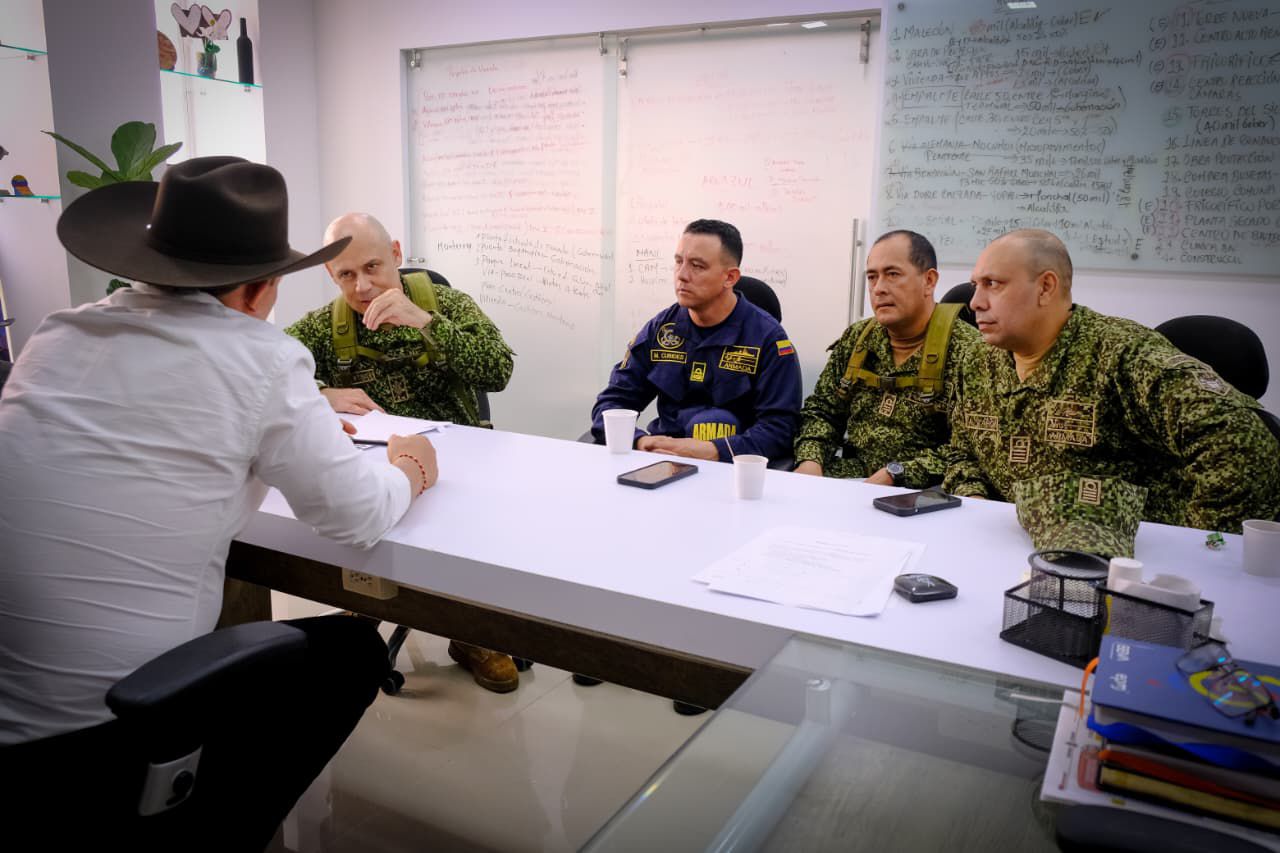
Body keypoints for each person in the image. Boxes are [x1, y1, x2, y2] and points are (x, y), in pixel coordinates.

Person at [0, 156, 438, 849]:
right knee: (354, 651)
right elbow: (357, 516)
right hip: (100, 748)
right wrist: (410, 467)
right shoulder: (262, 356)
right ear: (261, 290)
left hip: (11, 725)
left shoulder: (58, 333)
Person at [286, 213, 520, 693]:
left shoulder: (444, 302)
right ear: (330, 274)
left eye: (373, 267)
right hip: (377, 470)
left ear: (395, 253)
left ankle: (469, 632)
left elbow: (498, 370)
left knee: (464, 542)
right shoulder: (325, 327)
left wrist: (426, 323)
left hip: (458, 466)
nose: (362, 286)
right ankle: (367, 604)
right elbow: (265, 374)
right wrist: (321, 393)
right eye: (346, 274)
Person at [940, 228, 1280, 532]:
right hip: (1009, 538)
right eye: (976, 286)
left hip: (1124, 554)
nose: (975, 303)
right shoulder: (978, 360)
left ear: (1045, 287)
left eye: (993, 284)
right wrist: (975, 501)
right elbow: (962, 453)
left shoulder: (1123, 355)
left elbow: (1243, 442)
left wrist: (1196, 542)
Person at [590, 219, 802, 463]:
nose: (682, 275)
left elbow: (780, 428)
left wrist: (715, 450)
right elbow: (612, 403)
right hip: (662, 459)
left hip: (733, 467)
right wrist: (639, 441)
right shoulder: (661, 330)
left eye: (697, 266)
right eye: (678, 261)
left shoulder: (769, 340)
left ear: (730, 277)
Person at [793, 230, 981, 487]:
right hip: (852, 480)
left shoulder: (970, 351)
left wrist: (897, 473)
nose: (879, 288)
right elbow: (822, 411)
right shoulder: (858, 338)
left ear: (929, 281)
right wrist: (810, 460)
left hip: (924, 491)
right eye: (872, 277)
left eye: (893, 274)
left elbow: (970, 449)